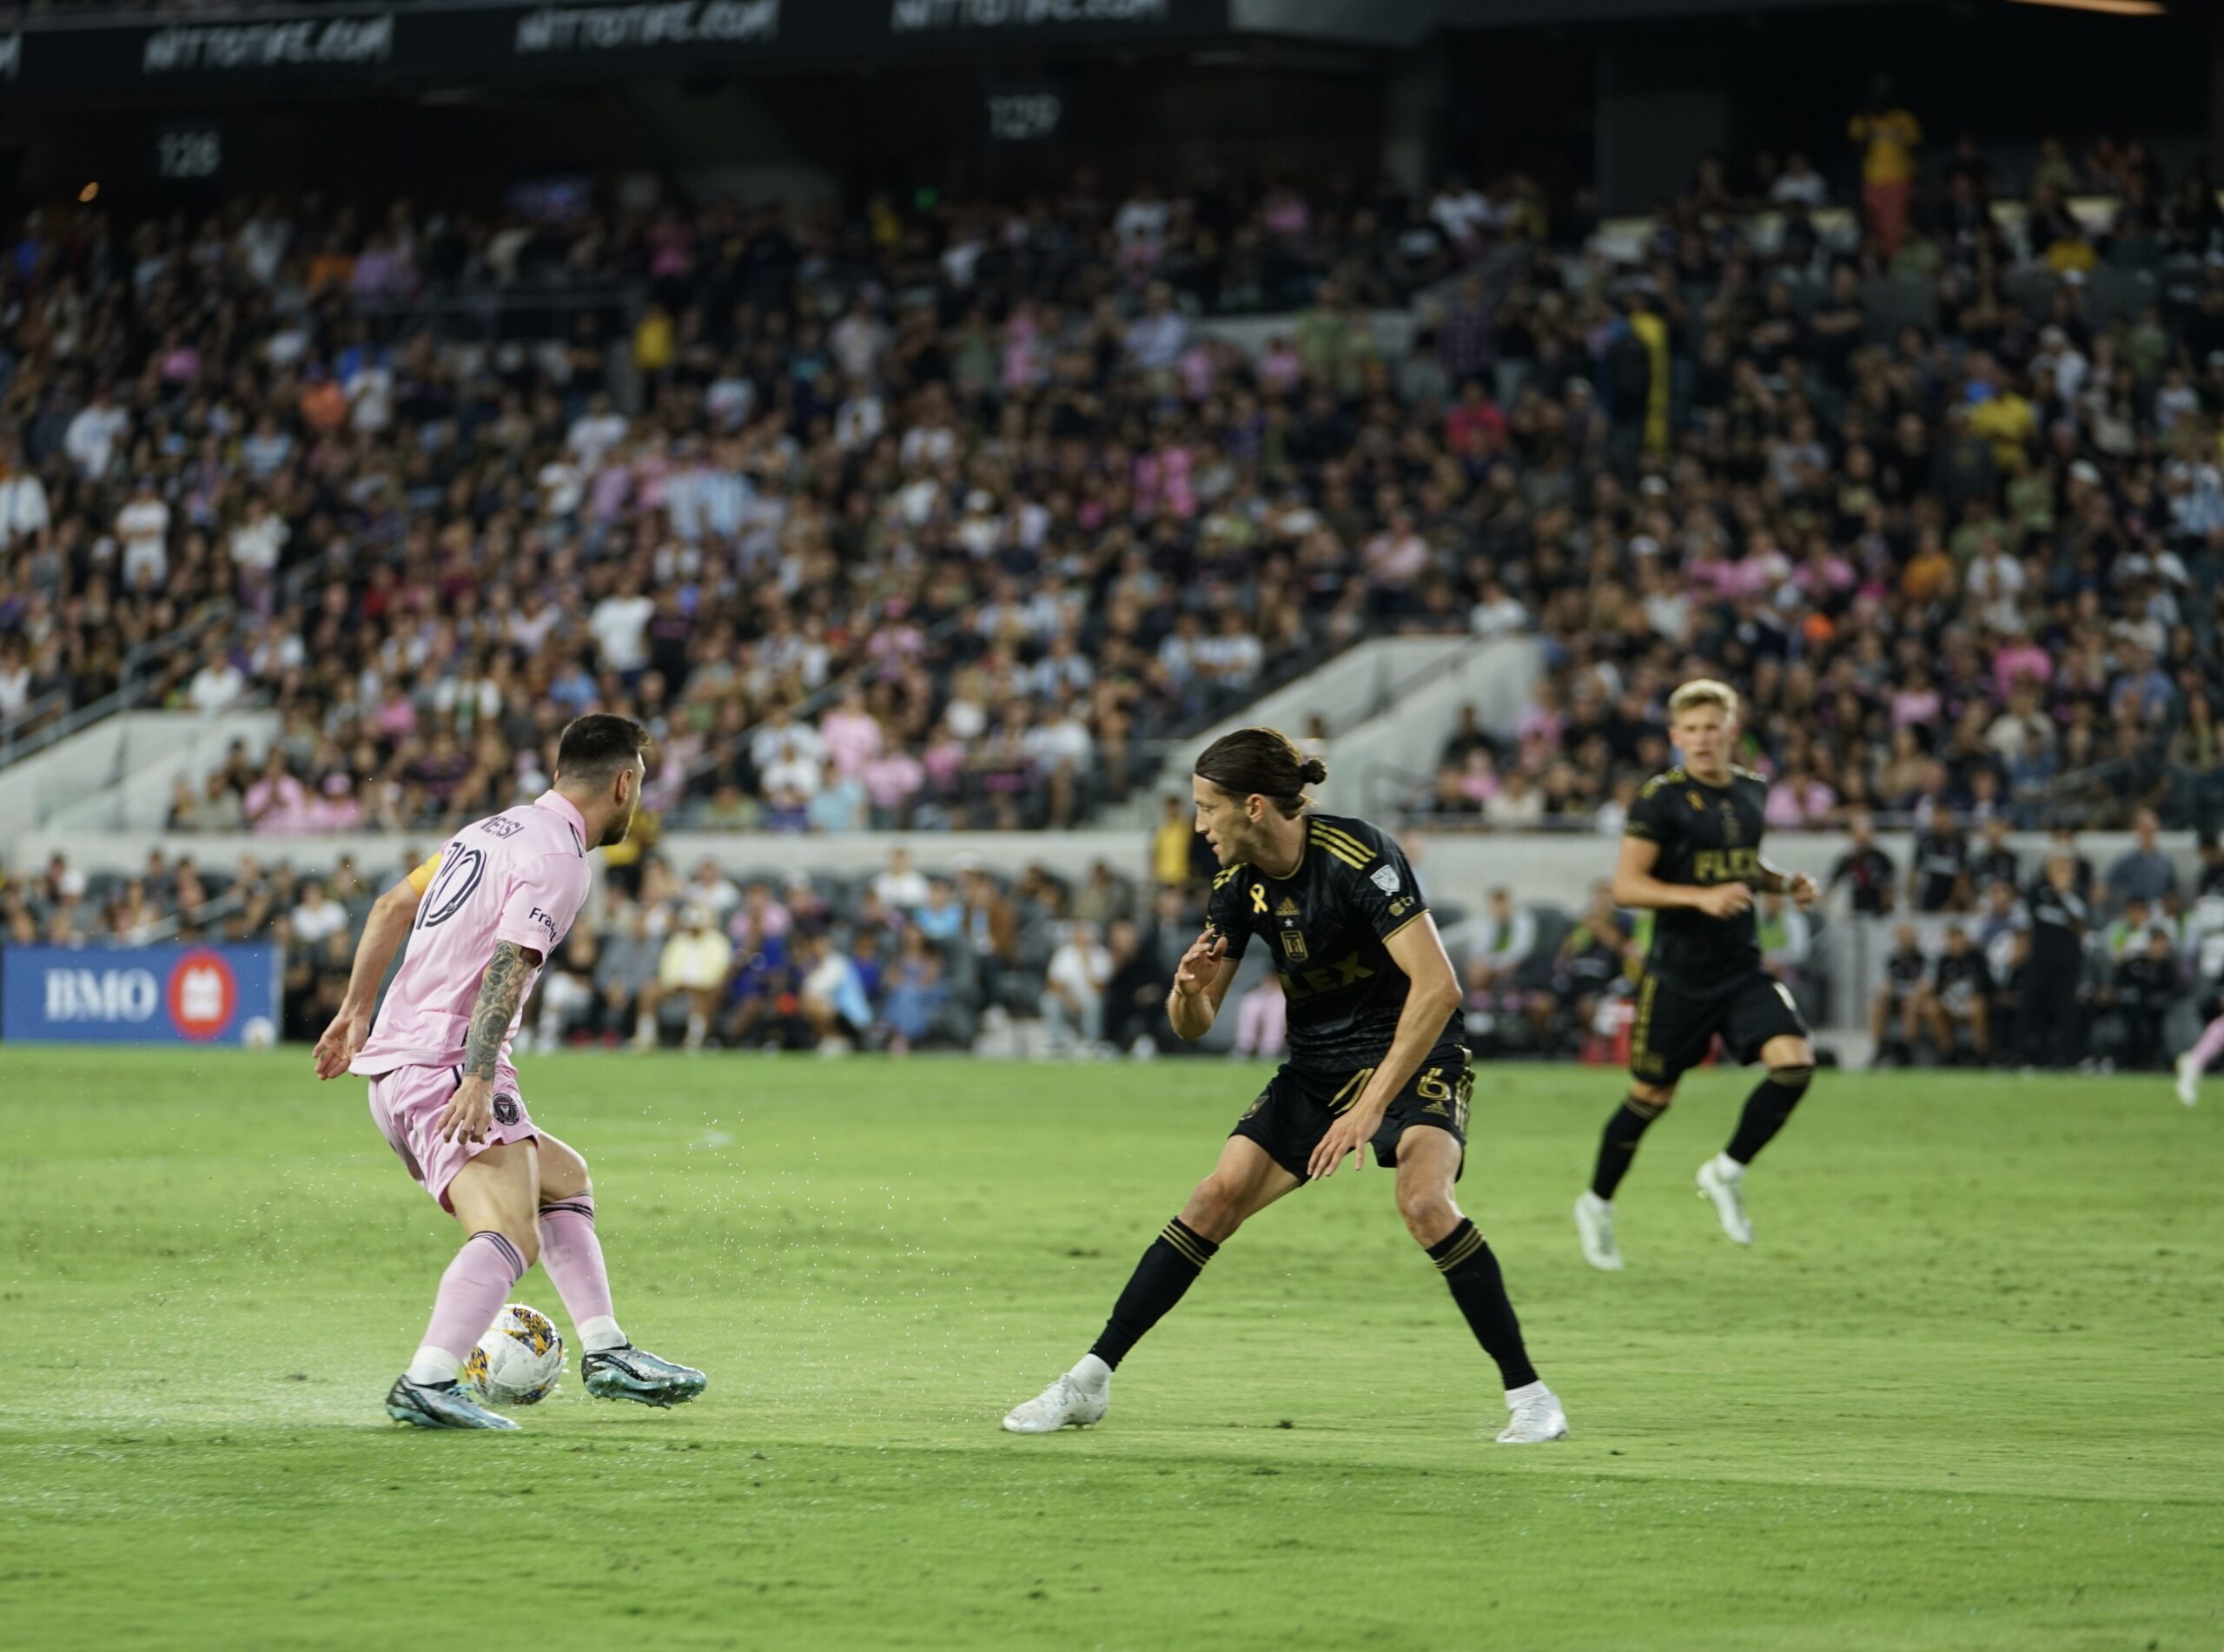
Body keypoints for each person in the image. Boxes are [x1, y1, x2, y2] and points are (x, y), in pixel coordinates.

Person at [1000, 728, 1565, 1445]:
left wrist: (1368, 1109)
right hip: (1316, 1066)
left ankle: (1532, 1396)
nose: (1198, 825)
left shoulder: (1360, 856)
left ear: (1256, 807)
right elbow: (1196, 1025)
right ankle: (1089, 1382)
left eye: (1208, 808)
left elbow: (1439, 988)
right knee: (1213, 1198)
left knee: (1424, 1202)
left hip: (1415, 1054)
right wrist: (1185, 993)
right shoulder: (1237, 886)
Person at [311, 715, 705, 1429]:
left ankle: (606, 1350)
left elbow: (392, 904)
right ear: (623, 783)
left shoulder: (487, 831)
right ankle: (428, 1379)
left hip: (408, 1063)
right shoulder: (559, 859)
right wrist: (479, 1077)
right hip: (447, 1069)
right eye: (640, 785)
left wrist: (355, 1010)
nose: (638, 799)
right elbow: (509, 963)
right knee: (510, 1235)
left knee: (565, 1178)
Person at [1574, 680, 1819, 1272]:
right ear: (1675, 736)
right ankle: (1597, 1204)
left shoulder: (1753, 792)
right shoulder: (1660, 800)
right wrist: (1700, 899)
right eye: (1693, 729)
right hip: (1677, 977)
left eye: (1714, 727)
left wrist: (1782, 883)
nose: (1703, 739)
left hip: (1740, 968)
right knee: (1651, 1096)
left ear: (1732, 732)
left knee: (1794, 1065)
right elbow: (1629, 886)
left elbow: (1742, 864)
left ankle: (1726, 1170)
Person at [2019, 851, 2090, 1070]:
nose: (2061, 873)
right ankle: (2025, 1056)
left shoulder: (2077, 894)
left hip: (2068, 962)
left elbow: (2081, 920)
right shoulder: (2037, 892)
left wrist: (2064, 894)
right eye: (2056, 868)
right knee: (2031, 1006)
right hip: (2041, 959)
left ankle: (2066, 1058)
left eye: (2065, 869)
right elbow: (2032, 916)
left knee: (2067, 1010)